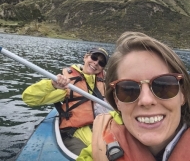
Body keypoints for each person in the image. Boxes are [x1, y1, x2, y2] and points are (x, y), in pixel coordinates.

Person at [77, 32, 190, 161]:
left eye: (163, 86)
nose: (146, 100)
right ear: (116, 101)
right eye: (128, 89)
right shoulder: (98, 152)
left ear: (183, 94)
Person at [22, 47, 110, 155]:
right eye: (94, 57)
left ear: (103, 68)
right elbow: (29, 98)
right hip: (74, 134)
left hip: (99, 132)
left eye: (101, 62)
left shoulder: (105, 86)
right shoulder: (68, 85)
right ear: (86, 57)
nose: (96, 63)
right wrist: (52, 85)